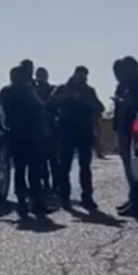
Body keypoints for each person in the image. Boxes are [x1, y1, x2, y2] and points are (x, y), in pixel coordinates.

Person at [51, 66, 105, 210]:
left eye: (84, 77)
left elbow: (100, 107)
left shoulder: (89, 91)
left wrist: (83, 101)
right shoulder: (63, 89)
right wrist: (66, 99)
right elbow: (51, 104)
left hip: (84, 131)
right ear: (74, 75)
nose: (82, 79)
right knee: (64, 166)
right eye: (80, 76)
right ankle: (64, 198)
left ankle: (87, 197)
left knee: (85, 166)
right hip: (66, 131)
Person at [1, 62, 48, 217]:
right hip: (31, 135)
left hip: (15, 134)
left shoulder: (6, 92)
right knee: (33, 170)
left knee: (19, 170)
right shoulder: (27, 91)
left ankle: (22, 202)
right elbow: (40, 109)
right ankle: (36, 202)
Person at [112, 56, 138, 217]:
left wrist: (125, 102)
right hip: (123, 128)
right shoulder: (123, 85)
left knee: (135, 167)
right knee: (128, 167)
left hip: (136, 129)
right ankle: (133, 198)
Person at [35, 67, 59, 193]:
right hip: (39, 129)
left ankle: (56, 184)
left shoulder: (53, 90)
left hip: (53, 128)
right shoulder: (33, 91)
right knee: (41, 160)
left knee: (54, 160)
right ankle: (45, 183)